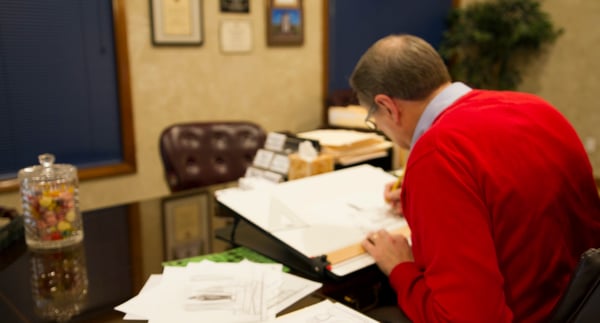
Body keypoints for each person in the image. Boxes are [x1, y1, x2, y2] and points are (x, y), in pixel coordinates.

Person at [351, 34, 600, 322]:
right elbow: (512, 202)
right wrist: (420, 203)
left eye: (375, 121)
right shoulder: (537, 108)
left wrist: (400, 268)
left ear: (388, 107)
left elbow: (468, 318)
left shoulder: (437, 154)